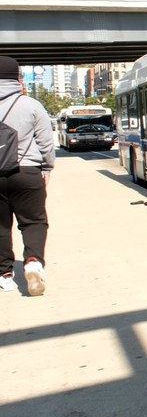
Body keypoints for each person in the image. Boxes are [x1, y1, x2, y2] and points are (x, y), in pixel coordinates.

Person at [0, 56, 55, 296]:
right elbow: (46, 143)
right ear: (18, 79)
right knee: (33, 221)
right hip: (27, 171)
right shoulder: (31, 105)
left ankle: (4, 276)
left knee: (0, 226)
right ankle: (33, 262)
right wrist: (47, 169)